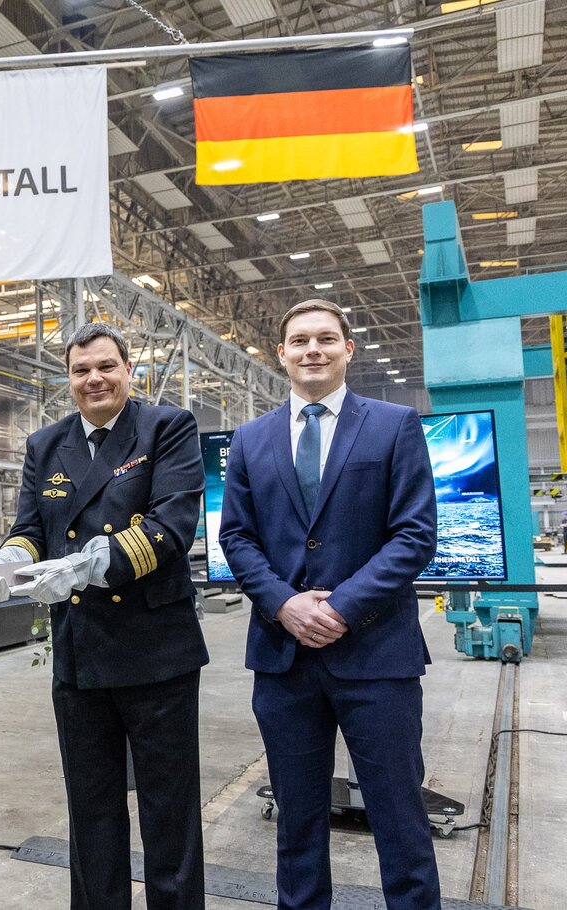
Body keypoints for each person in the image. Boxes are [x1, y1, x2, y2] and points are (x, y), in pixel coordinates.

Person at [0, 322, 207, 910]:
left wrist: (86, 564)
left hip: (156, 651)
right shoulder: (45, 445)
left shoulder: (168, 428)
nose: (94, 378)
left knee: (167, 807)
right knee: (91, 805)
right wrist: (7, 564)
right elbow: (28, 529)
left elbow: (169, 527)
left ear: (129, 371)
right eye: (80, 370)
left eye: (105, 366)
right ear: (67, 379)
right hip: (80, 650)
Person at [218, 298, 440, 910]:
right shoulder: (250, 438)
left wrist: (340, 607)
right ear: (281, 354)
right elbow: (236, 536)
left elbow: (415, 533)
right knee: (298, 820)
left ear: (348, 349)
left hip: (377, 657)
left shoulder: (393, 424)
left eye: (325, 338)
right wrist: (285, 605)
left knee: (399, 818)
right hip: (284, 660)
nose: (312, 349)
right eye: (299, 340)